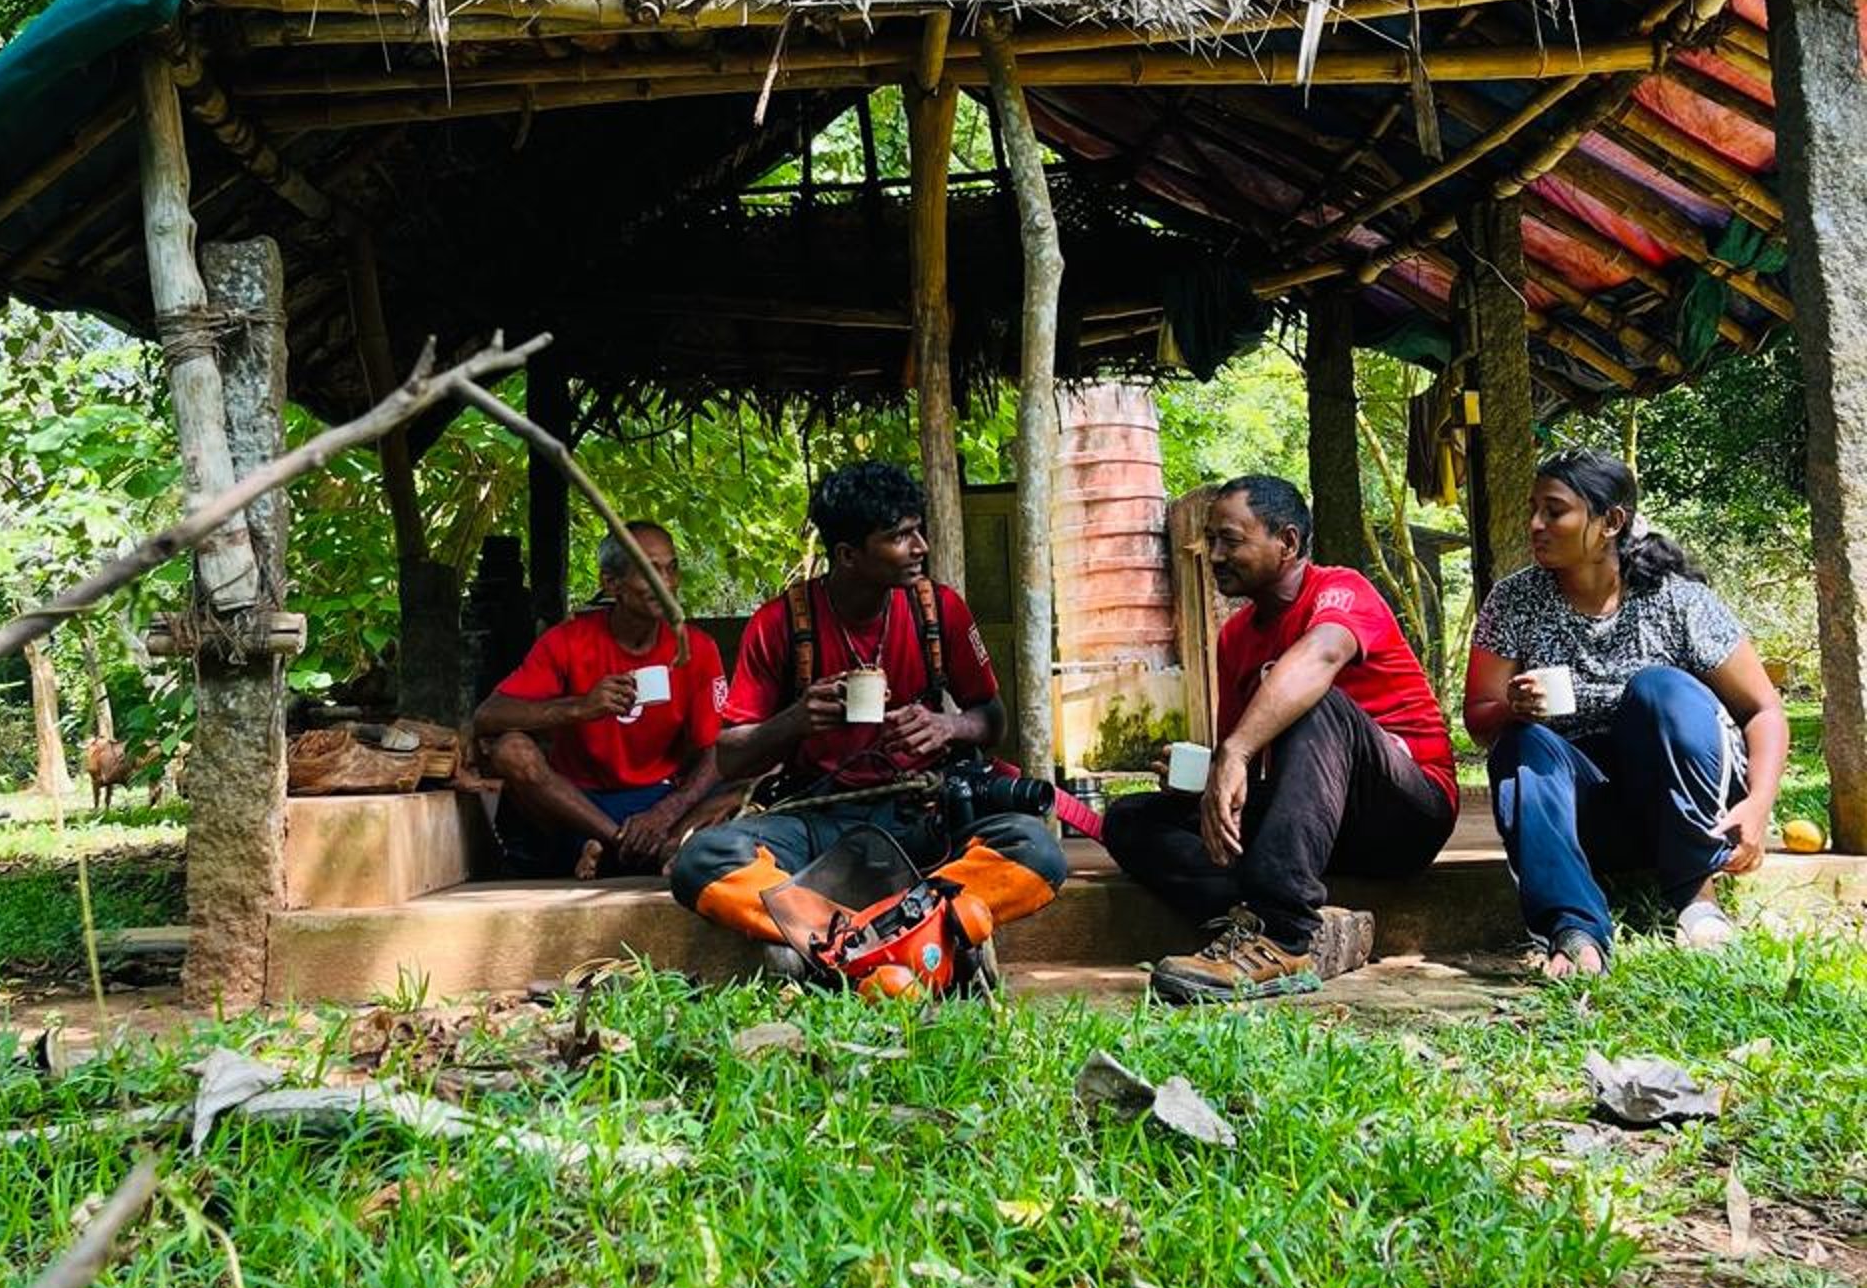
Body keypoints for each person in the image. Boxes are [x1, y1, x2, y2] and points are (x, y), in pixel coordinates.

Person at [671, 459, 1067, 970]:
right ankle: (928, 935)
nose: (921, 547)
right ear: (848, 555)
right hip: (815, 820)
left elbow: (992, 719)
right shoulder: (780, 623)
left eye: (918, 530)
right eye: (900, 536)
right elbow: (729, 757)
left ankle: (822, 943)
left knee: (1036, 849)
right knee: (702, 860)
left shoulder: (939, 610)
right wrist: (795, 719)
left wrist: (949, 726)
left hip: (920, 815)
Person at [1105, 475, 1458, 1002]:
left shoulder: (1342, 589)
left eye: (1230, 540)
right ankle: (1300, 920)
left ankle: (1284, 933)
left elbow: (1320, 658)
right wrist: (1206, 789)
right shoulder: (1236, 636)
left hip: (1405, 811)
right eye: (1211, 540)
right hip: (1317, 824)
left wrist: (1236, 751)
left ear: (1287, 543)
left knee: (1313, 702)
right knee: (1131, 820)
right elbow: (1242, 763)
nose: (1214, 555)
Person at [1463, 447, 1785, 978]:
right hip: (1580, 816)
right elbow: (1479, 717)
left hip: (1679, 805)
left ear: (1610, 521)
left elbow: (1763, 708)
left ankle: (1697, 899)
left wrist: (1759, 805)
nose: (1535, 524)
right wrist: (1511, 710)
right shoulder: (1514, 600)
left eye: (1554, 510)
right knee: (1522, 744)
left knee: (1661, 689)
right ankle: (1574, 929)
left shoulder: (1676, 601)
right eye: (1533, 509)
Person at [474, 522, 732, 878]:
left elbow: (716, 750)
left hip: (659, 800)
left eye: (672, 568)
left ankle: (607, 850)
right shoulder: (567, 641)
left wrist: (667, 811)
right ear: (612, 584)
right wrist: (580, 707)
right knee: (510, 751)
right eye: (649, 571)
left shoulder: (697, 648)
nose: (667, 583)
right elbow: (487, 716)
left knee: (752, 766)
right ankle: (624, 846)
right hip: (577, 804)